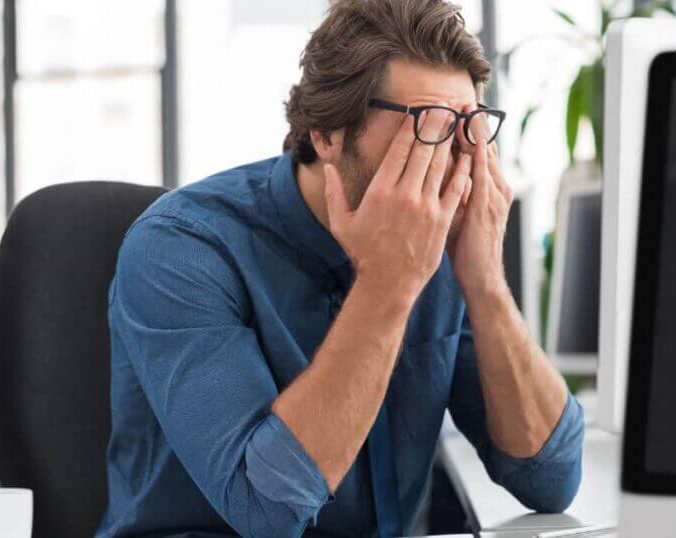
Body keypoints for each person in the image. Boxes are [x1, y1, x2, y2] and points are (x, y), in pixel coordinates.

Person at [98, 0, 583, 535]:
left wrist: (485, 281)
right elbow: (268, 513)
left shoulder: (446, 248)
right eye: (429, 127)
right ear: (328, 134)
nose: (453, 161)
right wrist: (388, 284)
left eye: (469, 127)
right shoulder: (182, 247)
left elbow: (550, 478)